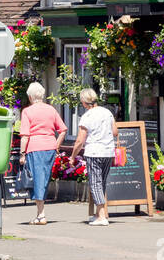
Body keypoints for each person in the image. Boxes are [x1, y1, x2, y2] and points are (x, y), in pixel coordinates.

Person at [18, 81, 67, 225]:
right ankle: (40, 213)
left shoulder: (27, 111)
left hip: (35, 148)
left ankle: (41, 214)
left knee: (38, 180)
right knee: (43, 179)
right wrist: (56, 145)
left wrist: (22, 154)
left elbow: (25, 135)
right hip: (50, 147)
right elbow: (63, 129)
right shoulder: (51, 109)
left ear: (31, 96)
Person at [68, 89, 118, 226]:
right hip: (108, 151)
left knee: (95, 183)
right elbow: (115, 132)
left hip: (94, 152)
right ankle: (98, 214)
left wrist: (73, 156)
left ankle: (102, 216)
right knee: (101, 183)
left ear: (84, 103)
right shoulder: (107, 112)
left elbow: (80, 140)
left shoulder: (87, 117)